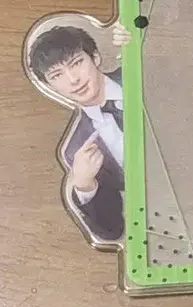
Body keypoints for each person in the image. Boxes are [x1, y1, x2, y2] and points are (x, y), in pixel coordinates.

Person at [29, 24, 129, 241]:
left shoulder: (139, 72)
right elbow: (112, 230)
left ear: (95, 58)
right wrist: (85, 185)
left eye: (76, 63)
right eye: (57, 75)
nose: (73, 79)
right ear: (50, 86)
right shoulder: (76, 148)